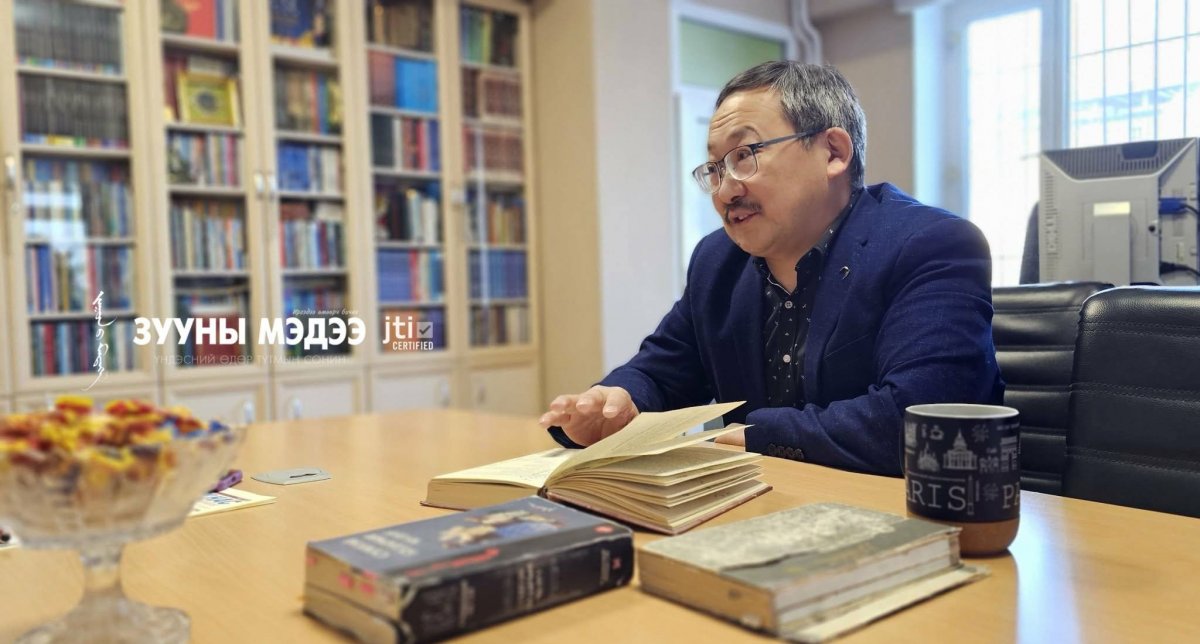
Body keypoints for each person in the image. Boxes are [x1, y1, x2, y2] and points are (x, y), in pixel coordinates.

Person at [538, 61, 1003, 476]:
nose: (725, 191)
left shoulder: (930, 245)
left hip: (904, 516)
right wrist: (617, 402)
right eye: (715, 168)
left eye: (744, 156)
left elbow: (922, 420)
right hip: (760, 508)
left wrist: (755, 435)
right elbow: (662, 372)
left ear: (833, 153)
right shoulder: (717, 261)